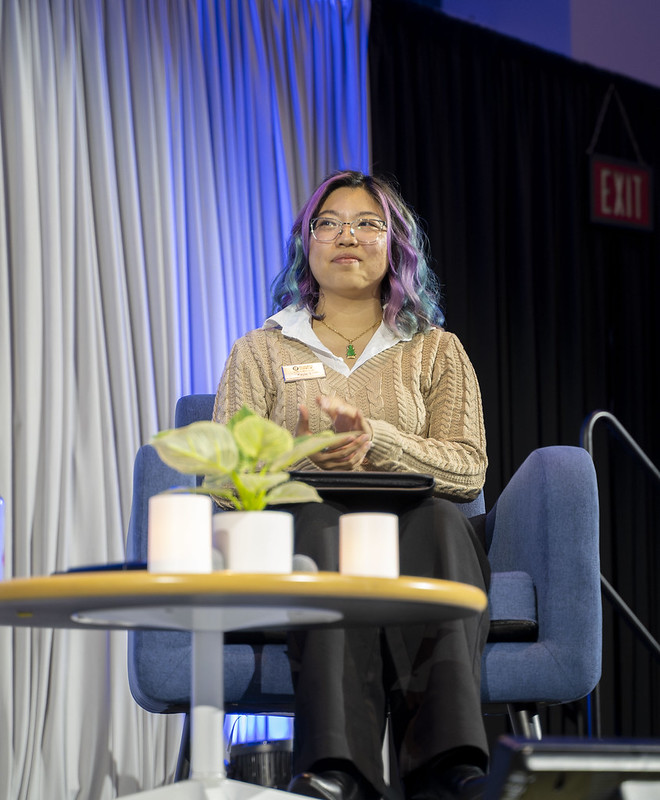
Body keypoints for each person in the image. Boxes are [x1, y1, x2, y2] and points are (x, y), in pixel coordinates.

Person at [213, 171, 490, 800]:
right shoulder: (261, 350)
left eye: (368, 223)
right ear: (306, 245)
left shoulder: (436, 350)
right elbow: (225, 475)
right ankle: (338, 770)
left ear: (395, 244)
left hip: (418, 522)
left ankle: (448, 768)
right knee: (318, 528)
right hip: (306, 516)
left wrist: (379, 443)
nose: (348, 236)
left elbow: (469, 469)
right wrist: (305, 453)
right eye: (329, 223)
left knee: (447, 523)